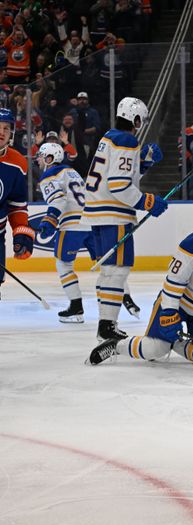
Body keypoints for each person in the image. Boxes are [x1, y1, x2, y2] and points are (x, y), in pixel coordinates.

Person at [88, 200, 193, 365]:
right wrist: (170, 312)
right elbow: (174, 283)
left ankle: (175, 343)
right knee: (154, 350)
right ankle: (117, 345)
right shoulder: (192, 245)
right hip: (178, 305)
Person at [83, 97, 166, 342]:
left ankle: (105, 326)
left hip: (98, 212)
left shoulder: (109, 136)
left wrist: (144, 162)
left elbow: (119, 173)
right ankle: (107, 326)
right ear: (136, 119)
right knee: (118, 271)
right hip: (114, 214)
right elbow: (119, 184)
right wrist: (147, 202)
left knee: (109, 271)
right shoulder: (127, 139)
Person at [36, 142, 140, 322]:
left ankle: (76, 308)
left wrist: (50, 219)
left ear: (49, 158)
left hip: (71, 225)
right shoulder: (72, 171)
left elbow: (58, 200)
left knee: (63, 264)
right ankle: (126, 298)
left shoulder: (49, 175)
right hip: (91, 222)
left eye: (41, 155)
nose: (37, 159)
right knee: (108, 265)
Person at [0, 108, 34, 298]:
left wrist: (21, 232)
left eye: (6, 128)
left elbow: (16, 204)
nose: (1, 133)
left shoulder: (18, 162)